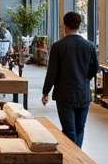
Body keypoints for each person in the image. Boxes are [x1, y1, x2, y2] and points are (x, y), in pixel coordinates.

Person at [41, 11, 99, 147]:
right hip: (83, 93)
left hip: (64, 94)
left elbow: (52, 72)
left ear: (65, 25)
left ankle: (72, 159)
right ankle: (78, 157)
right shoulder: (89, 46)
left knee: (68, 129)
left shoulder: (58, 46)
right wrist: (85, 79)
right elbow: (95, 68)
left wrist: (45, 92)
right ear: (79, 25)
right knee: (80, 128)